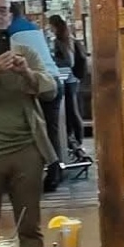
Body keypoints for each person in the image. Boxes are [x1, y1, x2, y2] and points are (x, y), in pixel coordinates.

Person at [0, 0, 57, 247]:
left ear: (10, 17)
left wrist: (26, 73)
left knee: (30, 226)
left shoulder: (25, 52)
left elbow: (51, 90)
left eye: (2, 10)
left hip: (27, 149)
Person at [9, 2, 65, 165]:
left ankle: (48, 170)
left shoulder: (10, 32)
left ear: (9, 14)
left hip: (39, 81)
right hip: (53, 77)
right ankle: (56, 169)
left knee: (40, 131)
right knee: (51, 131)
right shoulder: (33, 27)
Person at [48, 13, 89, 159]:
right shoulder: (69, 38)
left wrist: (53, 60)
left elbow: (68, 61)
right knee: (72, 110)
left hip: (67, 79)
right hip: (73, 79)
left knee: (71, 111)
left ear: (54, 26)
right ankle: (76, 141)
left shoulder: (60, 41)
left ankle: (75, 141)